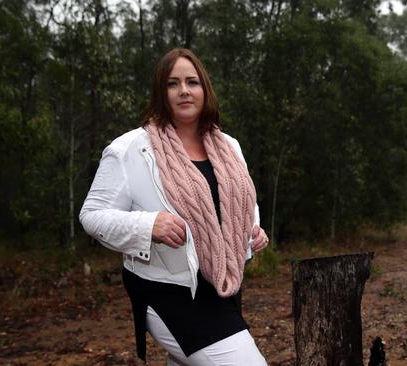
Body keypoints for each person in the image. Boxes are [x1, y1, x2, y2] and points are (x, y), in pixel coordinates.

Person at [79, 48, 269, 365]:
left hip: (224, 284)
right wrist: (147, 225)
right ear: (160, 93)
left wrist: (253, 230)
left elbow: (241, 201)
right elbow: (92, 215)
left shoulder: (228, 145)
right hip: (169, 291)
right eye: (172, 83)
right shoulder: (131, 149)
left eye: (192, 82)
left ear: (204, 90)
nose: (183, 91)